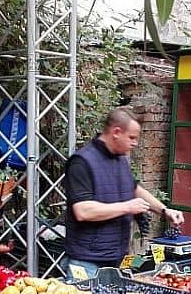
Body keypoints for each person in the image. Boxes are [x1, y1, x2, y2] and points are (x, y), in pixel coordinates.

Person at [63, 107, 183, 277]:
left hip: (116, 258)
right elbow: (83, 211)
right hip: (86, 262)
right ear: (116, 132)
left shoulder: (120, 159)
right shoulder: (81, 162)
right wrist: (127, 207)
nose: (135, 143)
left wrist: (164, 210)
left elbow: (134, 189)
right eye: (132, 138)